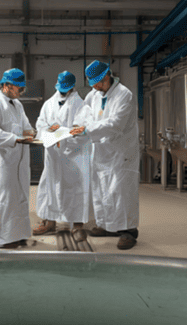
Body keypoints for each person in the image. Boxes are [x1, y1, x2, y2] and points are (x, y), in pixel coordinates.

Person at [70, 60, 140, 250]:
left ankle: (129, 231)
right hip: (101, 151)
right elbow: (84, 113)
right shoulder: (94, 95)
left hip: (121, 152)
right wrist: (79, 126)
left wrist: (87, 129)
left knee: (122, 192)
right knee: (102, 190)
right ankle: (109, 226)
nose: (94, 86)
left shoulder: (124, 95)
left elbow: (116, 124)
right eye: (92, 82)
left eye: (98, 82)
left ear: (107, 76)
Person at [0, 68, 36, 250]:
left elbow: (26, 126)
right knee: (3, 197)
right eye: (18, 89)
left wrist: (32, 133)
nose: (20, 92)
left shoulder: (17, 105)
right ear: (7, 86)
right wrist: (15, 139)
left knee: (19, 197)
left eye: (22, 89)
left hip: (20, 160)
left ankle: (16, 235)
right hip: (4, 159)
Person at [32, 71, 91, 236]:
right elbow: (41, 123)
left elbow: (82, 130)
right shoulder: (49, 104)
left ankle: (77, 224)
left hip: (74, 155)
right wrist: (49, 132)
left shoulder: (81, 105)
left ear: (72, 86)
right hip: (53, 154)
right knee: (49, 187)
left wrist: (64, 137)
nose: (63, 91)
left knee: (75, 188)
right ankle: (49, 221)